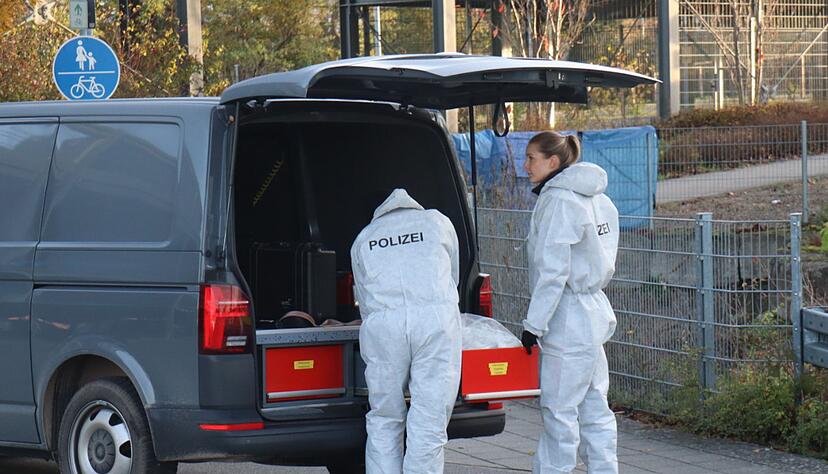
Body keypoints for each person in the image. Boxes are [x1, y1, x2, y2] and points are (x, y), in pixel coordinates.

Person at [519, 132, 620, 474]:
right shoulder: (596, 199)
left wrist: (534, 325)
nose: (526, 165)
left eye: (532, 157)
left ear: (553, 162)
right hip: (593, 315)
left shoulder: (559, 202)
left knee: (559, 412)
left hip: (567, 318)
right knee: (595, 409)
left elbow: (552, 271)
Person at [351, 188, 462, 474]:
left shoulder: (365, 237)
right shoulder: (437, 222)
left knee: (385, 417)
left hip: (383, 326)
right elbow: (453, 275)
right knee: (429, 419)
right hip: (436, 321)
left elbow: (362, 295)